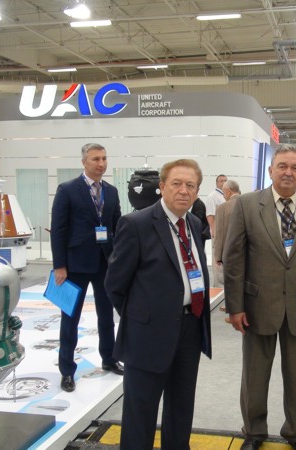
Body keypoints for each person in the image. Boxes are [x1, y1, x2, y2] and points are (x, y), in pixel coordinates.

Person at [223, 144, 296, 450]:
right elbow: (233, 260)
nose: (288, 172)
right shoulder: (247, 205)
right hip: (257, 306)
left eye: (295, 167)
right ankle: (254, 433)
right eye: (283, 166)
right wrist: (235, 307)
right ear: (271, 170)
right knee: (254, 377)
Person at [104, 159, 212, 450]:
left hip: (190, 329)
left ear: (197, 191)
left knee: (181, 408)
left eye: (190, 185)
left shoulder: (194, 223)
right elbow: (115, 284)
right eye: (176, 183)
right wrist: (142, 318)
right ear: (162, 187)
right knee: (140, 413)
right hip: (148, 335)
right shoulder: (136, 224)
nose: (183, 190)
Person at [50, 143, 123, 393]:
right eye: (95, 159)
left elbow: (117, 226)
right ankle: (67, 371)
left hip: (105, 262)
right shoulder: (68, 189)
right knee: (70, 318)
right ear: (84, 162)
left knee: (106, 315)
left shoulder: (111, 191)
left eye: (104, 158)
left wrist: (119, 258)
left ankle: (109, 358)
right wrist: (59, 266)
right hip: (75, 265)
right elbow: (58, 230)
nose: (101, 163)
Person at [213, 179, 240, 287]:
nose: (224, 196)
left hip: (229, 253)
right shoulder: (250, 205)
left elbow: (220, 233)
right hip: (248, 253)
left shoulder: (222, 208)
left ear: (229, 191)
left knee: (228, 284)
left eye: (224, 193)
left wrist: (218, 256)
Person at [206, 174, 227, 286]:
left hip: (226, 234)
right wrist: (214, 232)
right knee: (217, 260)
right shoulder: (213, 196)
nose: (223, 182)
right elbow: (210, 215)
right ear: (216, 183)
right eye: (221, 180)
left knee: (224, 260)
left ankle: (223, 286)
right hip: (218, 233)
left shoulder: (225, 195)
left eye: (225, 180)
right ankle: (218, 286)